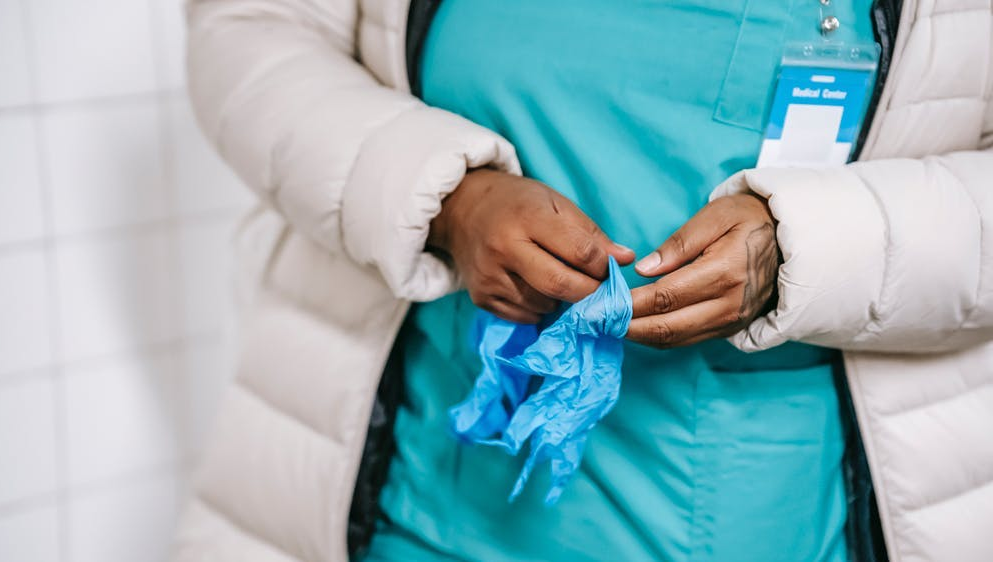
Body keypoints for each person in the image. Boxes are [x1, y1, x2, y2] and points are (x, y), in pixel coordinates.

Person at [171, 1, 993, 561]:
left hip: (785, 506)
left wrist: (819, 245)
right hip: (416, 499)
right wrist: (446, 198)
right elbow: (251, 32)